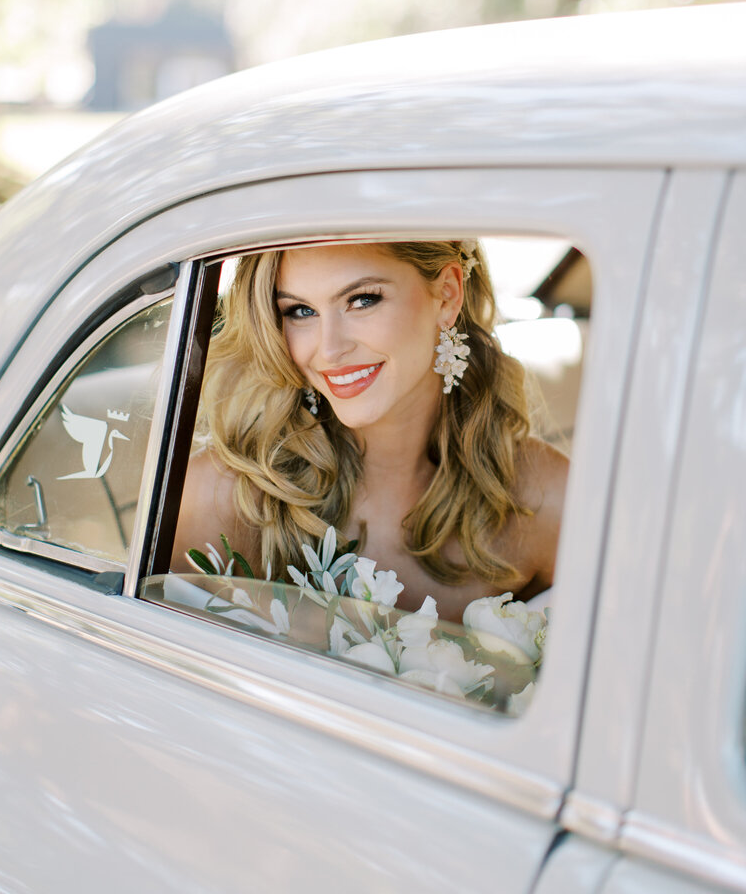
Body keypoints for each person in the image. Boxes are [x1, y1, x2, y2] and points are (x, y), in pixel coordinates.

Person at [172, 240, 567, 624]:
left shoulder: (545, 499)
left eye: (362, 299)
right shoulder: (223, 499)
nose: (329, 350)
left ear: (447, 295)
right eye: (300, 311)